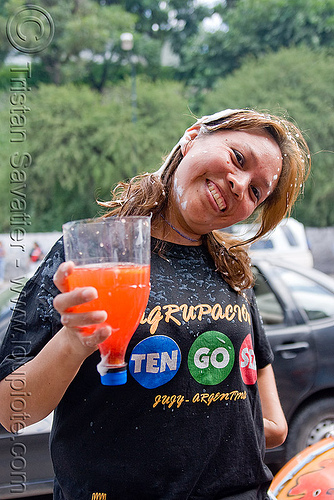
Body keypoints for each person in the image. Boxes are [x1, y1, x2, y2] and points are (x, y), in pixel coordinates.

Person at [0, 108, 310, 499]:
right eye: (238, 158)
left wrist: (227, 430)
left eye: (255, 192)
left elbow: (268, 407)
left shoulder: (233, 268)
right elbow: (12, 411)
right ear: (193, 136)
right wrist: (73, 342)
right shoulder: (94, 253)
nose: (238, 184)